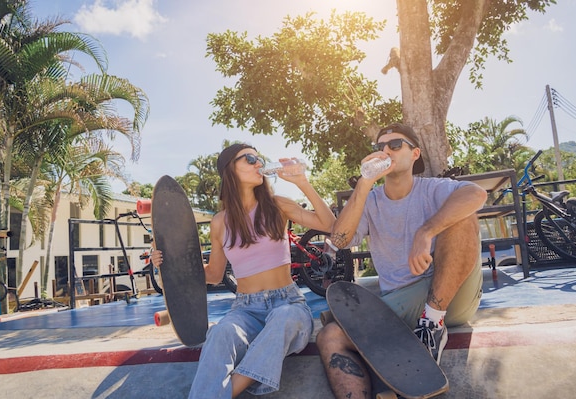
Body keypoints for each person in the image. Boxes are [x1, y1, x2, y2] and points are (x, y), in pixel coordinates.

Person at [316, 123, 487, 398]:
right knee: (329, 336)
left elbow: (476, 194)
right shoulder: (370, 200)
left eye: (395, 145)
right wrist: (365, 181)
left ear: (415, 153)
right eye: (379, 146)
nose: (385, 150)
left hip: (452, 294)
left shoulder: (433, 188)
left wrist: (426, 231)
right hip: (401, 304)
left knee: (463, 212)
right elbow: (340, 241)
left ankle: (432, 326)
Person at [152, 143, 335, 398]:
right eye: (250, 159)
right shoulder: (220, 222)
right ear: (230, 170)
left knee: (284, 317)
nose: (258, 163)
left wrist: (302, 182)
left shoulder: (277, 206)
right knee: (220, 332)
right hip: (245, 310)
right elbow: (214, 275)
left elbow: (329, 225)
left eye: (259, 159)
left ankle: (227, 391)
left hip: (288, 303)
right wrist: (169, 262)